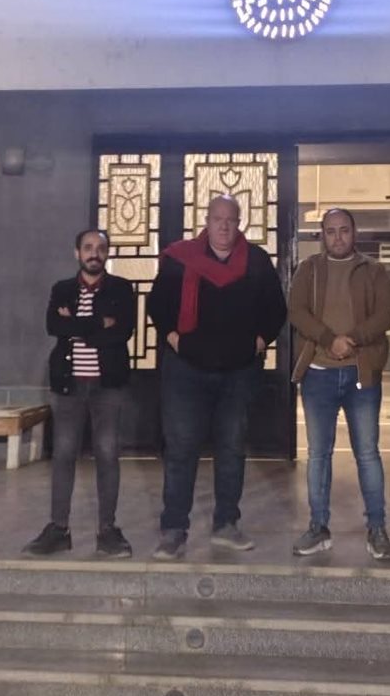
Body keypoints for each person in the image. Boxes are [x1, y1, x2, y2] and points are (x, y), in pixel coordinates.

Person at [147, 194, 287, 559]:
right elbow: (157, 304)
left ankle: (226, 524)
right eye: (217, 218)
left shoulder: (256, 260)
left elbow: (276, 308)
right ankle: (174, 529)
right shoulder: (181, 258)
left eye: (230, 219)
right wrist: (174, 338)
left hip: (238, 372)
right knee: (181, 449)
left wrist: (259, 341)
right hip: (186, 370)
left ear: (239, 223)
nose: (224, 226)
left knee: (231, 447)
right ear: (206, 221)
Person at [288, 207, 390, 562]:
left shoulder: (373, 270)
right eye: (331, 231)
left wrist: (352, 339)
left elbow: (386, 314)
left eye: (344, 230)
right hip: (318, 374)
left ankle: (377, 529)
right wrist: (328, 339)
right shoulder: (308, 270)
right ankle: (318, 527)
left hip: (360, 374)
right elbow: (296, 311)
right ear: (322, 234)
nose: (338, 237)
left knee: (367, 453)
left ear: (355, 232)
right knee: (318, 455)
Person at [23, 228, 136, 559]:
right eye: (88, 247)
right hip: (68, 386)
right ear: (77, 253)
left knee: (107, 454)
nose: (94, 253)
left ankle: (108, 531)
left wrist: (76, 325)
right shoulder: (62, 289)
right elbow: (53, 326)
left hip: (107, 385)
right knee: (63, 454)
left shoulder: (121, 289)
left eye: (100, 248)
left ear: (107, 253)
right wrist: (100, 324)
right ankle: (59, 529)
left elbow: (123, 331)